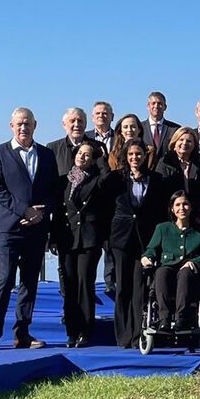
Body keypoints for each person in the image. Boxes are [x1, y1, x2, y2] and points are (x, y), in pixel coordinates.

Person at [0, 108, 58, 351]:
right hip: (9, 228)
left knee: (29, 281)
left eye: (28, 124)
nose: (24, 128)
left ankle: (22, 333)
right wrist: (24, 211)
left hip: (37, 228)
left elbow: (54, 189)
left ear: (35, 125)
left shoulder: (46, 154)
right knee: (5, 279)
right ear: (11, 126)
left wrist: (41, 213)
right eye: (19, 124)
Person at [107, 138, 169, 348]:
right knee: (123, 287)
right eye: (131, 154)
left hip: (145, 241)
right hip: (121, 240)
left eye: (139, 154)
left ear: (145, 156)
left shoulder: (157, 180)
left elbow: (162, 212)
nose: (135, 158)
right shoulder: (115, 179)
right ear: (125, 155)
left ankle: (137, 335)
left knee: (140, 289)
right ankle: (123, 336)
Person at [49, 142, 110, 348]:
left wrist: (101, 155)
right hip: (67, 238)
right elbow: (57, 212)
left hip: (88, 239)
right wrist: (53, 238)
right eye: (80, 153)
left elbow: (108, 179)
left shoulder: (97, 180)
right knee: (69, 285)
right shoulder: (62, 181)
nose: (83, 157)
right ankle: (71, 331)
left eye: (88, 155)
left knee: (85, 284)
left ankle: (85, 330)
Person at [141, 190, 200, 331]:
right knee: (161, 272)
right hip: (168, 270)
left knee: (185, 273)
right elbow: (151, 250)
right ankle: (164, 320)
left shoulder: (199, 231)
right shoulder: (163, 228)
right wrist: (146, 258)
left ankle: (182, 318)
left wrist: (194, 262)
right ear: (172, 209)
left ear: (191, 207)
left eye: (185, 204)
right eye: (177, 205)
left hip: (189, 274)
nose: (182, 208)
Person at [86, 101, 117, 294]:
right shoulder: (86, 138)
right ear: (92, 117)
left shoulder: (120, 138)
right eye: (98, 113)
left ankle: (110, 282)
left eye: (106, 114)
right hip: (92, 200)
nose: (102, 116)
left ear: (112, 117)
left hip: (114, 198)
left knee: (112, 244)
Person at [155, 127, 200, 230]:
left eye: (189, 141)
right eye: (181, 140)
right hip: (170, 216)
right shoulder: (164, 162)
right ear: (174, 142)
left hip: (196, 217)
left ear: (194, 144)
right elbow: (160, 190)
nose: (184, 143)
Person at [142, 91, 180, 160]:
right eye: (153, 103)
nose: (156, 106)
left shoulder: (175, 129)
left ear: (165, 107)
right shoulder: (140, 128)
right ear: (148, 106)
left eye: (159, 103)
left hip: (167, 168)